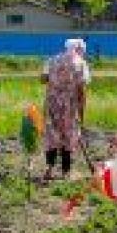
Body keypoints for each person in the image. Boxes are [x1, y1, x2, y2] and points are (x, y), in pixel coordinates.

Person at [40, 38, 92, 181]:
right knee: (68, 137)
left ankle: (49, 168)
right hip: (70, 106)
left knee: (51, 135)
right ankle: (65, 172)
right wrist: (81, 113)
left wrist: (55, 80)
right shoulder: (80, 64)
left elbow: (42, 79)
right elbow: (81, 91)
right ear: (79, 50)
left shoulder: (52, 60)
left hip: (52, 104)